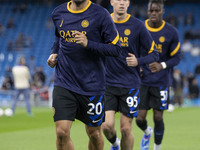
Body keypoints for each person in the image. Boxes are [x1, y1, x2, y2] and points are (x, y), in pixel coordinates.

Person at [47, 0, 121, 150]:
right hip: (64, 81)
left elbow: (116, 49)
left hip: (92, 85)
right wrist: (54, 52)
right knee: (61, 132)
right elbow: (58, 36)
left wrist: (89, 44)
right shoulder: (58, 13)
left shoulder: (101, 14)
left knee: (93, 133)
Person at [102, 0, 159, 150]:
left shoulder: (138, 26)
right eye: (118, 0)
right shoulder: (103, 23)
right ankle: (115, 144)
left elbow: (154, 54)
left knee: (126, 129)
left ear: (128, 4)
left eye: (125, 0)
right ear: (111, 2)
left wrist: (138, 61)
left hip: (130, 84)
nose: (121, 3)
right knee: (106, 126)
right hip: (107, 84)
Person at [128, 0, 181, 150]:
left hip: (161, 81)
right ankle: (147, 132)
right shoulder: (139, 28)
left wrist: (162, 65)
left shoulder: (171, 32)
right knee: (139, 118)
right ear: (147, 11)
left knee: (158, 117)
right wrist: (138, 66)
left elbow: (176, 57)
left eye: (156, 11)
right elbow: (133, 51)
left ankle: (157, 148)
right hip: (142, 81)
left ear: (162, 12)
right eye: (151, 11)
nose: (153, 13)